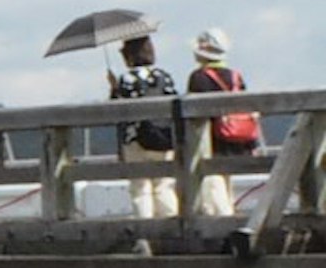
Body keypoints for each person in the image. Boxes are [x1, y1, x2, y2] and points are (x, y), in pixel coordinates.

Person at [109, 33, 182, 218]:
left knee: (140, 188)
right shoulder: (164, 76)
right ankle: (171, 228)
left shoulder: (126, 79)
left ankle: (145, 235)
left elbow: (116, 109)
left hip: (136, 140)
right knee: (164, 185)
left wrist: (114, 88)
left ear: (129, 55)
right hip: (164, 138)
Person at [189, 30, 257, 217]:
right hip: (235, 138)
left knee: (213, 185)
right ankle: (230, 219)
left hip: (211, 140)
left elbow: (193, 114)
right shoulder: (235, 76)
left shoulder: (199, 77)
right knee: (226, 184)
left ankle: (223, 227)